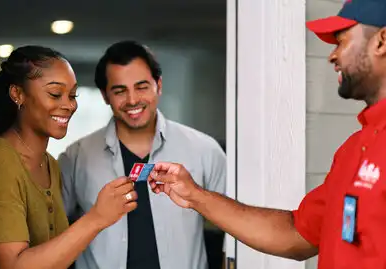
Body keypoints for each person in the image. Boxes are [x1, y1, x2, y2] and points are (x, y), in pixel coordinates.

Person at [147, 0, 386, 268]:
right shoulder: (354, 149)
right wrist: (194, 195)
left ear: (381, 41)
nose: (332, 55)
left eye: (341, 41)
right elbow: (296, 233)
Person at [58, 40, 226, 269]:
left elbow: (237, 230)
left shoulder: (204, 151)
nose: (133, 100)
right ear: (105, 95)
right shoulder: (76, 157)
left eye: (142, 87)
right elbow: (54, 235)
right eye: (120, 91)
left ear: (159, 85)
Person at [0, 45, 138, 269]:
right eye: (55, 94)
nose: (69, 105)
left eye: (73, 95)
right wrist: (96, 218)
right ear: (17, 94)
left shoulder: (51, 165)